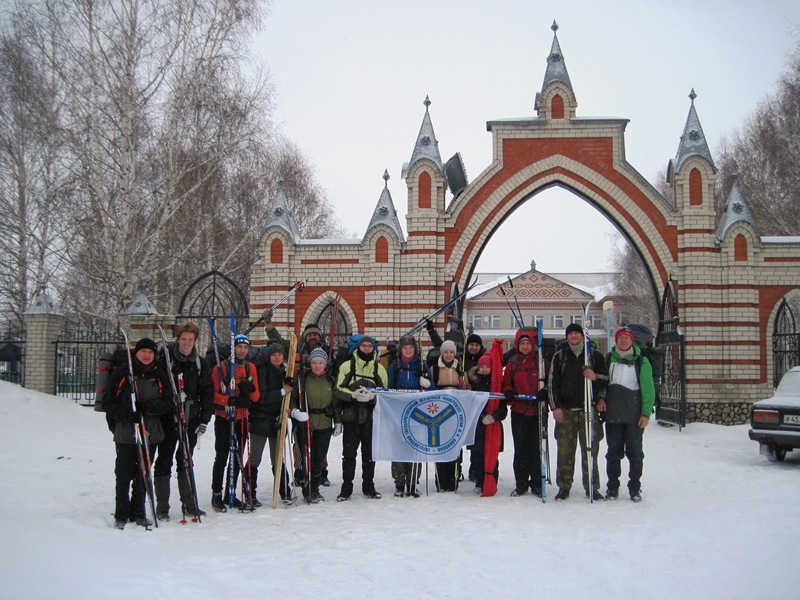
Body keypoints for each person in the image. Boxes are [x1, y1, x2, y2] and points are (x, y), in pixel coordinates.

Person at [104, 338, 173, 529]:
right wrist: (128, 413)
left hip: (150, 432)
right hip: (126, 432)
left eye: (150, 352)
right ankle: (121, 513)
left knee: (143, 474)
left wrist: (148, 408)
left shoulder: (159, 374)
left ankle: (139, 511)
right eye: (143, 351)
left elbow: (168, 402)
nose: (146, 355)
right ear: (136, 353)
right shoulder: (124, 373)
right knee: (124, 473)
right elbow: (109, 403)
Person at [153, 322, 214, 520]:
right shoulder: (166, 361)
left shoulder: (200, 363)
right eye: (184, 339)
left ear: (195, 342)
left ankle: (189, 503)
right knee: (164, 461)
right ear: (178, 340)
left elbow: (207, 393)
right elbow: (158, 388)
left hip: (191, 420)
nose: (187, 343)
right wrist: (170, 400)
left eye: (190, 340)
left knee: (185, 461)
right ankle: (162, 507)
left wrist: (204, 419)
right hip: (168, 419)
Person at [548, 323, 608, 501]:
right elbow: (552, 384)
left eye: (576, 333)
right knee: (565, 450)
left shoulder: (594, 356)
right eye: (571, 333)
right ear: (567, 337)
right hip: (566, 412)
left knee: (590, 450)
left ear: (582, 336)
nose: (574, 336)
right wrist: (556, 406)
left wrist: (595, 377)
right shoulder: (560, 356)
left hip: (588, 410)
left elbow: (606, 378)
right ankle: (564, 486)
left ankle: (592, 486)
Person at [596, 326, 655, 502]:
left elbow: (648, 389)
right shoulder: (608, 360)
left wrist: (645, 413)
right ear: (616, 340)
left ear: (631, 341)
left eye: (626, 338)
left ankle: (635, 488)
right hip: (613, 415)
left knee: (635, 453)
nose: (623, 341)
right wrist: (600, 398)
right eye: (620, 338)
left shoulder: (641, 361)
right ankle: (612, 488)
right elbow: (602, 384)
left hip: (633, 416)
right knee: (613, 453)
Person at [210, 333, 260, 512]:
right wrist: (229, 401)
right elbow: (213, 394)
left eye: (245, 348)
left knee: (237, 458)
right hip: (225, 418)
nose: (242, 351)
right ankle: (216, 494)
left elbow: (256, 396)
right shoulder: (221, 368)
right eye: (239, 347)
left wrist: (249, 391)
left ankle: (230, 493)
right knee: (222, 456)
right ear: (234, 348)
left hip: (242, 418)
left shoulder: (250, 368)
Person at [334, 335, 387, 501]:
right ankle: (346, 487)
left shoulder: (379, 369)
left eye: (369, 346)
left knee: (369, 454)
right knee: (349, 454)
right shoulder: (346, 366)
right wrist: (353, 396)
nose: (366, 348)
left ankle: (368, 486)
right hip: (351, 417)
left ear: (373, 349)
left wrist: (373, 397)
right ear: (358, 347)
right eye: (363, 345)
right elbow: (337, 389)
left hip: (371, 419)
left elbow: (385, 394)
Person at [387, 336, 434, 498]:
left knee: (415, 446)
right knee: (399, 447)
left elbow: (431, 389)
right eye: (405, 348)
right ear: (401, 350)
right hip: (399, 412)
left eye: (411, 348)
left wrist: (426, 385)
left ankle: (413, 482)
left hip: (417, 413)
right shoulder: (395, 366)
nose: (408, 351)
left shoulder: (422, 366)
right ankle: (399, 483)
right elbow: (389, 388)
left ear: (415, 350)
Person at [245, 340, 291, 506]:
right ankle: (249, 492)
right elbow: (261, 398)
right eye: (274, 355)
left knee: (277, 458)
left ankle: (284, 490)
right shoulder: (262, 371)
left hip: (277, 421)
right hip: (261, 419)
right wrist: (281, 392)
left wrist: (287, 408)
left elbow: (288, 397)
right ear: (269, 357)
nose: (277, 357)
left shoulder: (285, 372)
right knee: (255, 459)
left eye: (280, 354)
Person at [291, 348, 340, 502]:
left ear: (325, 364)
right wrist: (295, 412)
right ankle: (307, 488)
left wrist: (338, 421)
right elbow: (292, 399)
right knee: (306, 458)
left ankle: (316, 487)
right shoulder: (303, 380)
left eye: (320, 363)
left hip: (324, 422)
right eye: (314, 363)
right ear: (310, 364)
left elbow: (336, 402)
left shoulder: (330, 380)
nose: (317, 366)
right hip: (306, 422)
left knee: (319, 457)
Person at [502, 326, 542, 497]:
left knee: (535, 449)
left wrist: (544, 393)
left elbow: (547, 380)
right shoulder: (513, 362)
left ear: (532, 345)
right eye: (522, 344)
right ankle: (521, 483)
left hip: (536, 411)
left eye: (528, 343)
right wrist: (509, 392)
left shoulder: (539, 361)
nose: (525, 347)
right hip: (519, 410)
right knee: (520, 449)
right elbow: (506, 382)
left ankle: (537, 483)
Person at [467, 352, 507, 494]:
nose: (484, 369)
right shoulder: (473, 383)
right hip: (477, 425)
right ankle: (479, 481)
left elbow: (503, 409)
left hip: (492, 425)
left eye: (487, 367)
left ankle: (491, 480)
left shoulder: (497, 385)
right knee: (477, 455)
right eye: (481, 367)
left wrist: (494, 417)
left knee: (491, 455)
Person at [430, 339, 465, 491]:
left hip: (455, 413)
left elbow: (467, 390)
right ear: (442, 353)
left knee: (454, 445)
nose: (449, 355)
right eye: (446, 352)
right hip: (439, 412)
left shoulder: (460, 369)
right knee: (440, 445)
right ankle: (441, 479)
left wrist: (466, 386)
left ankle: (453, 478)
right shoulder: (434, 369)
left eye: (451, 352)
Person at [463, 332, 486, 481]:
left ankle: (474, 469)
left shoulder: (484, 360)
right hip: (465, 403)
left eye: (476, 345)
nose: (474, 347)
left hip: (480, 405)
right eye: (471, 344)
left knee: (477, 440)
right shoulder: (462, 359)